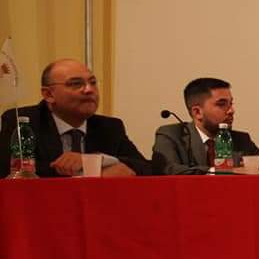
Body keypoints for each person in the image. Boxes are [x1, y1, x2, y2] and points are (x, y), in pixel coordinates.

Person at [0, 58, 150, 177]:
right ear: (49, 94)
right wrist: (91, 171)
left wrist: (98, 161)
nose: (89, 90)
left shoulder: (110, 127)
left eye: (93, 83)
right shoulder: (22, 120)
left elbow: (148, 167)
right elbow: (10, 169)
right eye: (76, 84)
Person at [152, 77, 259, 175]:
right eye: (221, 104)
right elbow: (168, 169)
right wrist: (222, 172)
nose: (231, 110)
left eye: (231, 103)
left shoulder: (241, 139)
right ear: (197, 112)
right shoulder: (171, 135)